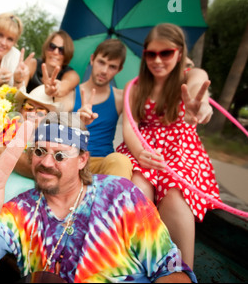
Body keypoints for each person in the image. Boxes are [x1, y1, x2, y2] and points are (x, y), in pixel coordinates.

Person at [0, 110, 196, 283]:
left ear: (83, 159)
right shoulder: (20, 210)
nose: (47, 162)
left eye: (60, 155)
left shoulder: (121, 195)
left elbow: (169, 267)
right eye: (40, 151)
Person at [116, 23, 220, 269]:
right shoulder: (137, 87)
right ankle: (137, 264)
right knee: (137, 188)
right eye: (151, 53)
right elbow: (130, 127)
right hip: (142, 147)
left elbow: (198, 89)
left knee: (175, 193)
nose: (158, 60)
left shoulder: (191, 77)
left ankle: (181, 272)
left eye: (166, 53)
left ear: (180, 53)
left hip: (180, 146)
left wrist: (201, 105)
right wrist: (140, 153)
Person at [0, 84, 61, 201]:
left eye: (40, 112)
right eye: (29, 107)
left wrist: (1, 149)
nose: (32, 113)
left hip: (23, 204)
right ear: (21, 109)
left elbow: (34, 168)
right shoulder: (1, 127)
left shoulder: (49, 142)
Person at [71, 39, 132, 179]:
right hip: (72, 161)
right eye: (101, 62)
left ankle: (119, 200)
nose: (104, 71)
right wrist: (77, 121)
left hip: (102, 163)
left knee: (120, 161)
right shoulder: (71, 93)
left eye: (112, 66)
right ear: (92, 59)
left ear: (119, 69)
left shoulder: (120, 97)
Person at [25, 30, 80, 112]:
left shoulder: (71, 74)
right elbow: (19, 90)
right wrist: (18, 79)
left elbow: (65, 86)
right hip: (26, 111)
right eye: (52, 46)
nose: (55, 52)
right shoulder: (32, 64)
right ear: (46, 48)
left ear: (67, 53)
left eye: (61, 50)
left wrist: (56, 88)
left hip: (48, 119)